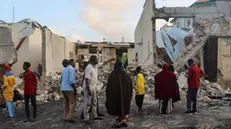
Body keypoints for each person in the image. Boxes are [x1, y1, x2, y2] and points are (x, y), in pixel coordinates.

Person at [83, 55, 115, 123]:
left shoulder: (96, 66)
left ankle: (95, 116)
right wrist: (88, 90)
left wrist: (110, 59)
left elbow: (104, 62)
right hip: (88, 87)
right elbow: (86, 79)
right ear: (92, 60)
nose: (98, 60)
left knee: (94, 102)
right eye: (96, 59)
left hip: (94, 86)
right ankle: (86, 118)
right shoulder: (88, 67)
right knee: (87, 103)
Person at [106, 58, 133, 128]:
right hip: (125, 97)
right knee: (123, 107)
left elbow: (109, 88)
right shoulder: (126, 75)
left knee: (117, 108)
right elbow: (130, 87)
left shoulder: (112, 75)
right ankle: (123, 120)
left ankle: (120, 121)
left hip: (115, 97)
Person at [60, 59, 77, 123]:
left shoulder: (64, 69)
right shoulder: (71, 69)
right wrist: (75, 89)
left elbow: (60, 79)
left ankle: (65, 116)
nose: (75, 64)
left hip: (63, 88)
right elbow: (71, 81)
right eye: (74, 62)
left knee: (66, 103)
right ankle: (69, 117)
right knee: (73, 103)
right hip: (69, 88)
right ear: (72, 62)